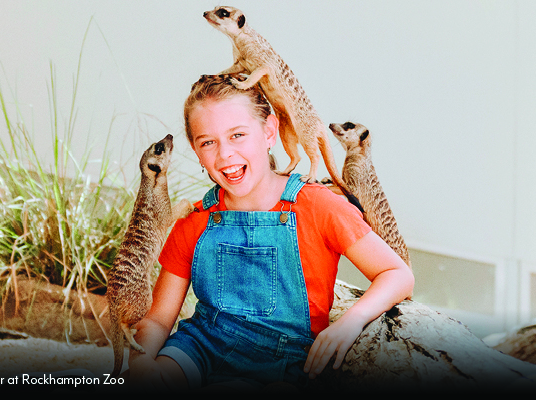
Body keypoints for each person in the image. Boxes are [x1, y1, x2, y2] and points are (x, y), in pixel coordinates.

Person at [126, 74, 414, 391]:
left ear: (269, 131)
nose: (225, 155)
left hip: (287, 361)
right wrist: (141, 359)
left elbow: (397, 273)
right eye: (208, 142)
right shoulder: (195, 219)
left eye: (238, 135)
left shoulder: (319, 206)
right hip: (199, 349)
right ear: (197, 152)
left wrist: (350, 323)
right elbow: (157, 319)